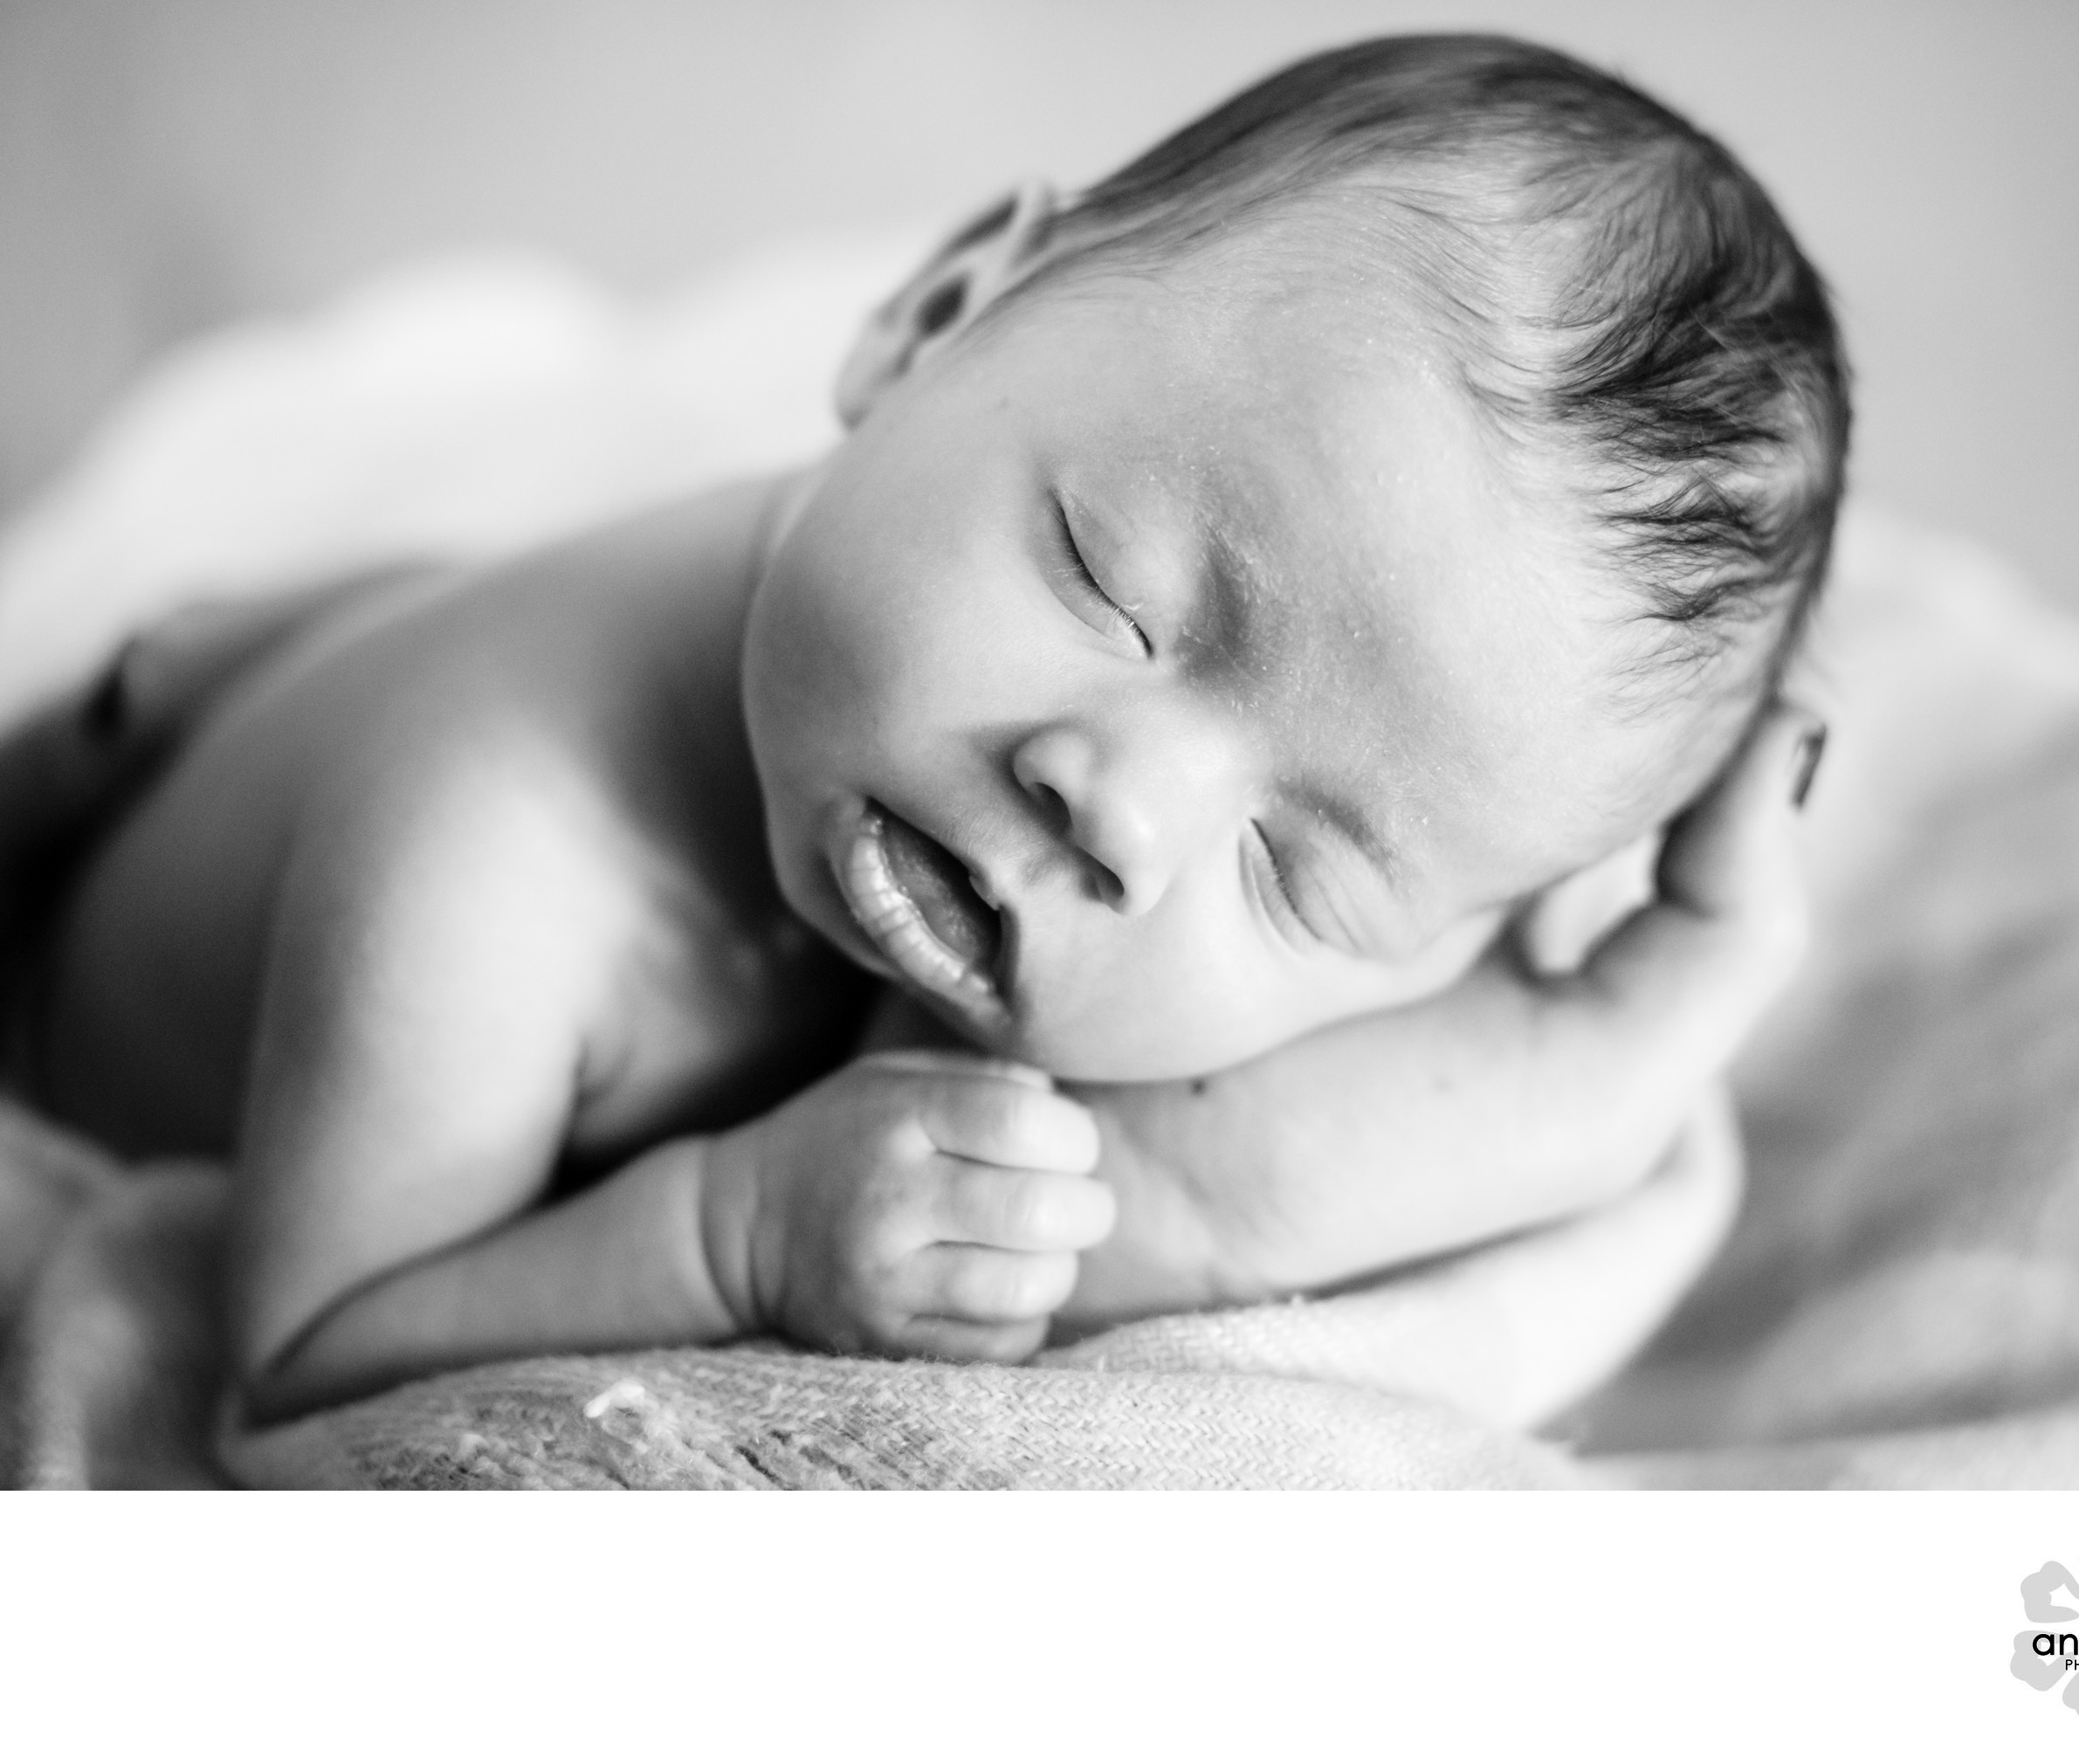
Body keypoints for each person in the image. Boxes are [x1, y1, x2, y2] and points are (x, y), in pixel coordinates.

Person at [1, 34, 1845, 1423]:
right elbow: (307, 1367)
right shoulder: (497, 842)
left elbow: (1266, 1126)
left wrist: (1609, 1015)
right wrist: (726, 1235)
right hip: (119, 1052)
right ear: (934, 317)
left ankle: (1570, 1003)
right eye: (1112, 581)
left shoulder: (903, 674)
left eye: (1302, 875)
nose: (1120, 809)